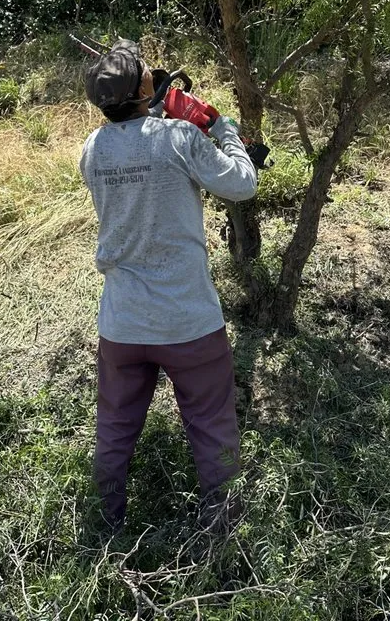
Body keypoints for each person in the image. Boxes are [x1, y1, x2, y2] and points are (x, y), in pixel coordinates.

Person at [79, 39, 257, 532]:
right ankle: (221, 528)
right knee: (212, 424)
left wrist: (156, 117)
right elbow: (242, 184)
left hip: (122, 322)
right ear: (144, 89)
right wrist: (224, 130)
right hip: (188, 319)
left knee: (115, 428)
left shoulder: (92, 149)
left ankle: (106, 523)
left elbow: (136, 158)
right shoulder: (179, 137)